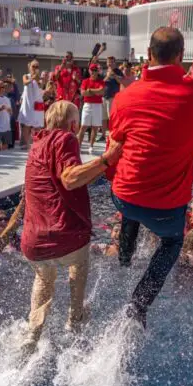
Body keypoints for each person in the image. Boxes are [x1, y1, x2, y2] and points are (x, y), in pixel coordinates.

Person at [106, 26, 193, 327]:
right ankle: (139, 304)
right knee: (172, 242)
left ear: (148, 54)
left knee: (129, 200)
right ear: (181, 56)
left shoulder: (125, 97)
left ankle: (125, 254)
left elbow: (115, 142)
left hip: (123, 196)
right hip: (165, 208)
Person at [21, 100, 119, 349]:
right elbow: (70, 178)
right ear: (74, 123)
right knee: (79, 263)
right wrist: (106, 159)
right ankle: (74, 320)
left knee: (44, 279)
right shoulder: (66, 139)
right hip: (65, 236)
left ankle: (33, 335)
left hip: (33, 242)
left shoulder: (36, 145)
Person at [78, 64, 105, 153]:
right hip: (88, 105)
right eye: (91, 70)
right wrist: (95, 92)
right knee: (83, 127)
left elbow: (102, 92)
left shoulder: (101, 81)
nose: (93, 72)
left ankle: (91, 146)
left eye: (95, 70)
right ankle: (78, 146)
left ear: (97, 71)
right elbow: (83, 93)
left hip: (97, 105)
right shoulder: (85, 81)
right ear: (89, 71)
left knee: (95, 127)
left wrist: (90, 90)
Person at [18, 60, 45, 146]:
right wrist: (33, 78)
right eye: (33, 66)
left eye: (37, 67)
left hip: (37, 105)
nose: (35, 68)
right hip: (28, 105)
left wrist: (38, 79)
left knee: (38, 127)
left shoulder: (40, 79)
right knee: (26, 125)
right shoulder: (26, 76)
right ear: (29, 67)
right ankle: (24, 145)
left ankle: (37, 145)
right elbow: (25, 82)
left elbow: (41, 85)